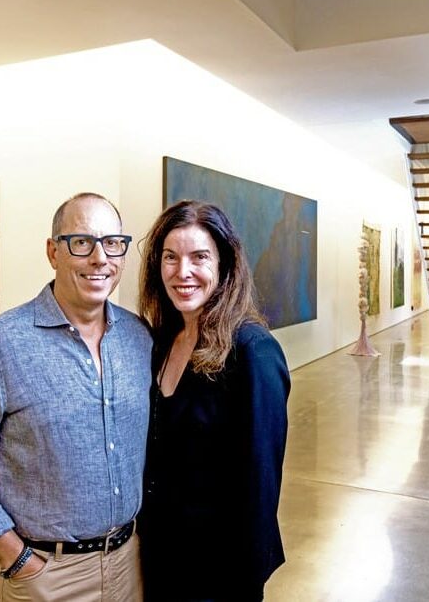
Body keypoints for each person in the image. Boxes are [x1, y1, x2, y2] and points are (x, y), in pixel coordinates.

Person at [0, 192, 152, 601]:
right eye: (82, 242)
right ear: (53, 252)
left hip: (129, 564)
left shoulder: (139, 337)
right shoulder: (0, 345)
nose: (100, 258)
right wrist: (16, 558)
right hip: (47, 575)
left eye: (112, 243)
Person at [137, 200, 291, 601]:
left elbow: (261, 486)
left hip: (218, 574)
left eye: (199, 257)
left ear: (224, 264)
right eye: (170, 257)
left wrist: (243, 585)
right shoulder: (162, 340)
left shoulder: (252, 351)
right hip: (159, 558)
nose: (182, 271)